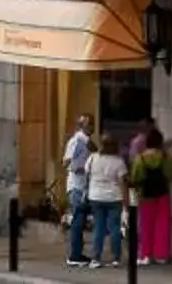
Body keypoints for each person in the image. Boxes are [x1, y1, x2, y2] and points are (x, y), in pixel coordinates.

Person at [130, 125, 172, 266]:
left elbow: (135, 177)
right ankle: (161, 255)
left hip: (145, 195)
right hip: (163, 194)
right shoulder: (165, 157)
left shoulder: (140, 158)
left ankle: (146, 254)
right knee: (163, 224)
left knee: (145, 225)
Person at [87, 135, 127, 268]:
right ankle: (116, 257)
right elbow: (122, 183)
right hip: (114, 197)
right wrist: (126, 203)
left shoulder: (93, 158)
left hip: (95, 196)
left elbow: (87, 175)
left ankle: (96, 258)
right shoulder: (119, 161)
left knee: (99, 227)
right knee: (114, 227)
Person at [63, 112, 93, 266]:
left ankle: (77, 253)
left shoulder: (88, 142)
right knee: (77, 221)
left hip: (84, 187)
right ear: (81, 126)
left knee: (80, 221)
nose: (92, 126)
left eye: (92, 123)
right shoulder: (76, 141)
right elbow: (67, 163)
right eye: (88, 123)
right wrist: (83, 168)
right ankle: (74, 255)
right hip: (76, 186)